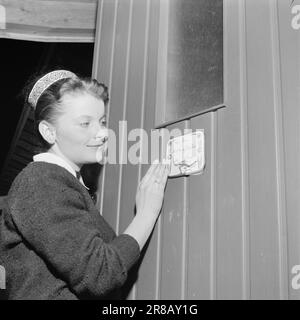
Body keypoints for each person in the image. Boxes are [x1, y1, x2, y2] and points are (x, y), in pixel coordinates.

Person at [0, 70, 169, 300]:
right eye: (85, 123)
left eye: (102, 122)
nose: (102, 133)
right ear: (49, 132)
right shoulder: (40, 182)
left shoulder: (62, 183)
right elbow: (100, 274)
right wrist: (146, 215)